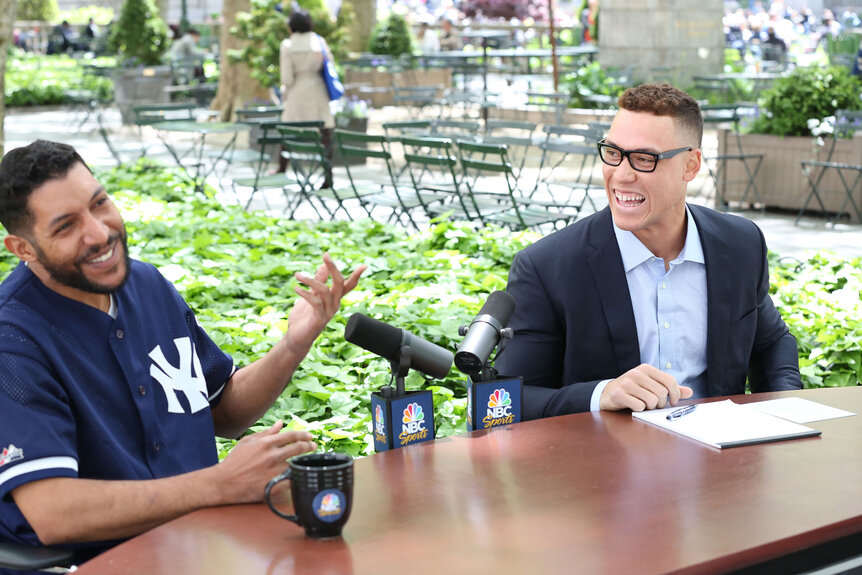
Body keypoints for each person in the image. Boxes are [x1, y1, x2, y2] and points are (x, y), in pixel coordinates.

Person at [0, 140, 366, 565]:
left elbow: (224, 412)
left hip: (202, 548)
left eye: (100, 203)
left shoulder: (147, 284)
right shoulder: (14, 339)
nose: (99, 233)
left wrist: (293, 344)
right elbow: (52, 513)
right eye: (66, 226)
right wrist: (220, 484)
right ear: (23, 249)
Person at [494, 83, 802, 420]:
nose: (621, 175)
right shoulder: (546, 266)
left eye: (644, 159)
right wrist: (601, 394)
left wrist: (782, 412)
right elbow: (508, 398)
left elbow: (772, 342)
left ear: (691, 166)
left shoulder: (740, 243)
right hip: (604, 465)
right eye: (613, 153)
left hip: (721, 462)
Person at [279, 8, 335, 184]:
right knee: (324, 131)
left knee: (288, 130)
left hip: (297, 90)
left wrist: (284, 92)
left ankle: (282, 169)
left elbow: (287, 77)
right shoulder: (319, 41)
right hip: (318, 89)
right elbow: (330, 64)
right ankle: (328, 174)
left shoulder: (288, 45)